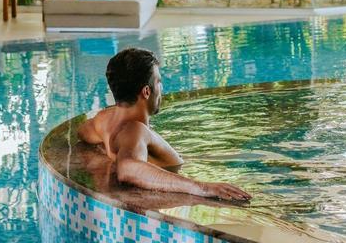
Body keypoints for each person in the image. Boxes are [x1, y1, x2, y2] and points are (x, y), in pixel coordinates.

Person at [78, 47, 251, 202]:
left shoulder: (104, 119)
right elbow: (127, 169)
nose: (162, 88)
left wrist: (108, 151)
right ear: (146, 91)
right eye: (159, 81)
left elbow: (82, 132)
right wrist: (203, 188)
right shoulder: (135, 129)